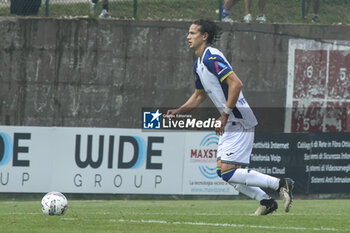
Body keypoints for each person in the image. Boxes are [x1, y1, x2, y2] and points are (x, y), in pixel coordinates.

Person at [167, 19, 294, 215]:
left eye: (192, 33)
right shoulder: (199, 63)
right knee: (224, 173)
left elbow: (236, 84)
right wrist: (178, 111)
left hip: (238, 118)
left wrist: (225, 115)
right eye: (188, 33)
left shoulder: (211, 57)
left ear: (204, 36)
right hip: (231, 119)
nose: (188, 37)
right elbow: (199, 95)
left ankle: (280, 184)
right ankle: (266, 201)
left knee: (227, 171)